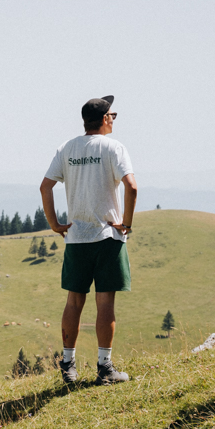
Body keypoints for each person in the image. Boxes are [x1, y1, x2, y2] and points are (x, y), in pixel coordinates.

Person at [39, 95, 137, 385]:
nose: (114, 119)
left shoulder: (67, 148)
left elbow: (45, 187)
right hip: (107, 235)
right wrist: (127, 223)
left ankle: (68, 366)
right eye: (113, 115)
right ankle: (104, 368)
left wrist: (55, 224)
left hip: (76, 237)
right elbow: (131, 187)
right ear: (105, 119)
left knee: (73, 301)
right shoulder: (114, 148)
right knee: (105, 302)